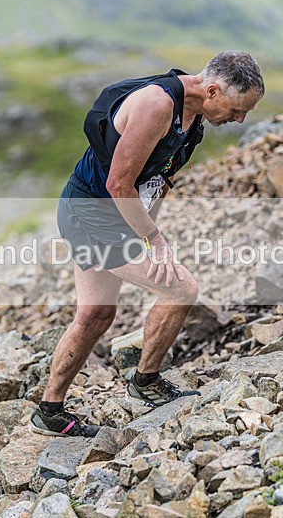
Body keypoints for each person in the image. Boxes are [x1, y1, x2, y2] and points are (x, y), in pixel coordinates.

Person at [31, 51, 264, 437]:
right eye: (238, 110)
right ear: (211, 90)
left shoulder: (195, 121)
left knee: (95, 316)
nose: (239, 120)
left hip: (113, 216)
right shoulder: (157, 104)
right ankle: (146, 382)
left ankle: (49, 412)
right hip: (89, 213)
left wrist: (146, 229)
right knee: (180, 288)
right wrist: (154, 241)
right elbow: (118, 184)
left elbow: (159, 180)